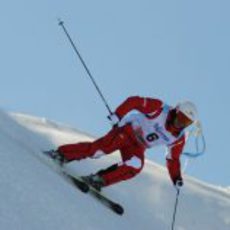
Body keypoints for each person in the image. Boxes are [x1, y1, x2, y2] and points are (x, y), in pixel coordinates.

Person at [50, 96, 199, 191]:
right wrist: (118, 114)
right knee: (100, 150)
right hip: (127, 131)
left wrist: (176, 178)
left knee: (135, 165)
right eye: (181, 117)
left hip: (138, 146)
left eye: (186, 122)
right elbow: (134, 101)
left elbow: (173, 159)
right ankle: (61, 154)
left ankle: (99, 179)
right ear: (176, 111)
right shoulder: (159, 109)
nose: (180, 123)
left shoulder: (178, 137)